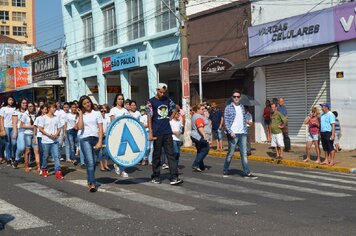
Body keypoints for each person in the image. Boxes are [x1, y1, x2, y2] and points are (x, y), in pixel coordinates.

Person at [147, 83, 183, 185]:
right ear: (157, 90)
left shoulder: (167, 100)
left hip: (167, 131)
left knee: (170, 155)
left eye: (164, 92)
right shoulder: (151, 102)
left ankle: (174, 177)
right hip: (157, 132)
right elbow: (149, 117)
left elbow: (176, 107)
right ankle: (156, 176)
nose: (162, 94)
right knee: (157, 155)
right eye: (160, 92)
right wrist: (150, 132)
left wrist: (171, 117)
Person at [223, 89, 257, 179]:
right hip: (233, 134)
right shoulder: (228, 107)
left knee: (244, 154)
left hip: (242, 133)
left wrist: (245, 130)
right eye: (234, 96)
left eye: (238, 96)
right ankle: (225, 169)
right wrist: (230, 132)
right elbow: (226, 122)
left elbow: (243, 120)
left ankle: (247, 172)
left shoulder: (242, 107)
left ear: (240, 98)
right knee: (230, 153)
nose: (236, 98)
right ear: (232, 97)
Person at [77, 95, 103, 192]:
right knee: (90, 161)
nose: (87, 104)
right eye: (84, 103)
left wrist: (100, 141)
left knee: (93, 162)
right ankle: (92, 183)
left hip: (95, 139)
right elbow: (80, 127)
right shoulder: (81, 115)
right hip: (85, 139)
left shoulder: (97, 113)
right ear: (82, 106)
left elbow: (100, 128)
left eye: (88, 102)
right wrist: (80, 114)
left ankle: (89, 179)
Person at [38, 102, 64, 179]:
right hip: (46, 140)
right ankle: (44, 169)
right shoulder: (43, 118)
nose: (54, 109)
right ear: (49, 108)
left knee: (56, 156)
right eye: (53, 107)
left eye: (55, 107)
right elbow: (40, 129)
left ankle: (58, 172)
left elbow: (59, 128)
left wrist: (56, 134)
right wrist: (48, 135)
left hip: (54, 141)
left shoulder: (56, 118)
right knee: (45, 156)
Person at [110, 93, 130, 177]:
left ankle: (123, 170)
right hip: (116, 133)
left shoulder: (125, 110)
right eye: (119, 99)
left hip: (124, 132)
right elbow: (112, 121)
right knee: (117, 151)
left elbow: (128, 120)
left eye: (122, 99)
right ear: (116, 100)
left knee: (124, 152)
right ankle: (116, 164)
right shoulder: (113, 110)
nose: (121, 100)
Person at [191, 105, 211, 172]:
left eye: (204, 109)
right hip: (199, 136)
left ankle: (201, 166)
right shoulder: (198, 116)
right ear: (197, 110)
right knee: (205, 149)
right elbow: (200, 127)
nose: (204, 110)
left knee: (200, 151)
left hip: (197, 136)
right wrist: (204, 136)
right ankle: (196, 164)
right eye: (202, 109)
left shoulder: (199, 116)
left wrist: (206, 117)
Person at [12, 98, 28, 169]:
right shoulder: (16, 112)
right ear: (20, 104)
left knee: (28, 148)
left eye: (26, 103)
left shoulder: (28, 111)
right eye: (23, 103)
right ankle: (17, 158)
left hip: (28, 130)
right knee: (21, 147)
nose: (25, 104)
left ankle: (27, 162)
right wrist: (15, 132)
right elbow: (14, 123)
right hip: (20, 130)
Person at [33, 105, 47, 174]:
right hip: (40, 136)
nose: (46, 111)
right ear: (41, 110)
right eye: (44, 109)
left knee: (46, 152)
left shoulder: (48, 117)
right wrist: (34, 137)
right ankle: (41, 167)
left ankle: (44, 166)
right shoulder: (38, 118)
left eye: (47, 109)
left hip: (47, 137)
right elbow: (35, 128)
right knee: (41, 152)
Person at [98, 105, 110, 171]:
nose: (103, 112)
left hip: (105, 136)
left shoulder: (106, 119)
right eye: (101, 111)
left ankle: (106, 165)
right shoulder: (98, 119)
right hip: (99, 136)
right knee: (100, 151)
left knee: (106, 151)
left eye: (104, 111)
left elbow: (108, 127)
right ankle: (101, 166)